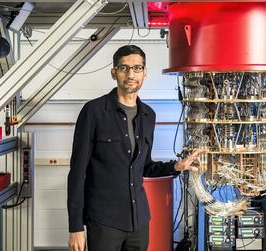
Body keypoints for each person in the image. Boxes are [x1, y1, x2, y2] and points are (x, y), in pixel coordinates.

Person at [67, 45, 200, 251]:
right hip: (104, 221)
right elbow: (77, 173)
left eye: (137, 68)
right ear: (114, 73)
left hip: (138, 222)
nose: (131, 74)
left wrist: (176, 167)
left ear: (144, 73)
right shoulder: (93, 112)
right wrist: (75, 226)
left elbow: (144, 167)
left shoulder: (148, 115)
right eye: (124, 68)